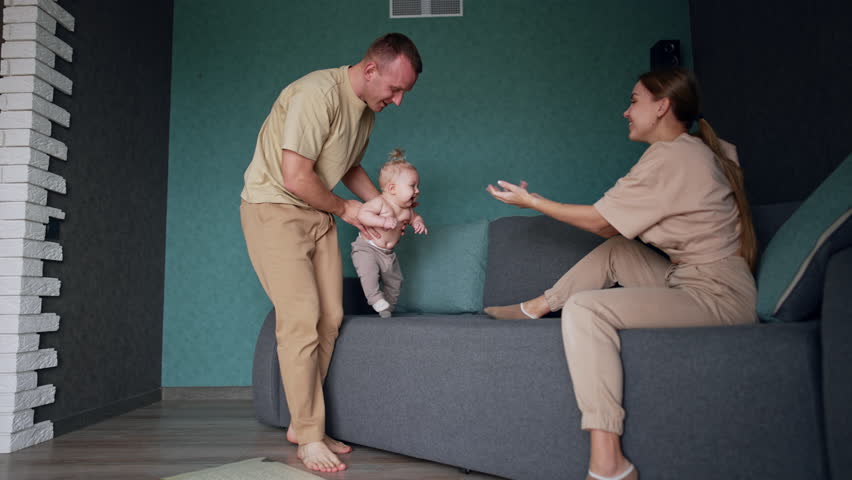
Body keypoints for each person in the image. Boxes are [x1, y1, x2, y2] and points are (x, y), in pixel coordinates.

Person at [484, 67, 757, 480]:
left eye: (633, 101)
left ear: (662, 105)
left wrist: (533, 202)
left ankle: (610, 462)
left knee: (587, 310)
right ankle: (536, 307)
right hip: (690, 278)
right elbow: (613, 231)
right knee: (618, 252)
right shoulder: (688, 151)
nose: (626, 112)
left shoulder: (674, 156)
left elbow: (601, 221)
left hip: (716, 295)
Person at [239, 33, 422, 473]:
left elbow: (347, 165)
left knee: (330, 318)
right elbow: (296, 175)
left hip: (317, 213)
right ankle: (309, 433)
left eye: (405, 93)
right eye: (394, 89)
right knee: (300, 318)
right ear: (371, 69)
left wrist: (381, 202)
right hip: (275, 209)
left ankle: (302, 425)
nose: (398, 101)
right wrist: (349, 210)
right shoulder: (314, 95)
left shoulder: (365, 112)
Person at [351, 149, 427, 317]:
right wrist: (382, 221)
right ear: (392, 188)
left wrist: (419, 223)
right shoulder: (379, 203)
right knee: (369, 273)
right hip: (367, 248)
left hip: (388, 254)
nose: (417, 191)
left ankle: (388, 306)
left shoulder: (407, 210)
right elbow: (363, 214)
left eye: (417, 186)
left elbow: (416, 218)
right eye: (412, 186)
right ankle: (375, 299)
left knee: (395, 281)